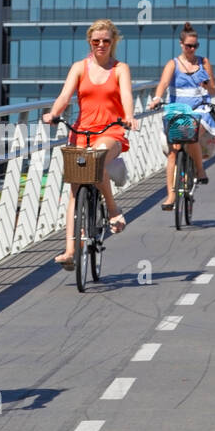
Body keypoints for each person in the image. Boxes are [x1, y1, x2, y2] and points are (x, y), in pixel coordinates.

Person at [43, 19, 135, 269]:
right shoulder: (79, 68)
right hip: (81, 132)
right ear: (90, 42)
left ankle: (113, 209)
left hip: (111, 131)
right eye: (96, 41)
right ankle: (71, 250)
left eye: (106, 40)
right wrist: (53, 114)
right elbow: (65, 95)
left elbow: (126, 95)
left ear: (113, 41)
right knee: (74, 188)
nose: (101, 45)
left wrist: (129, 116)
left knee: (96, 157)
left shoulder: (120, 69)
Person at [147, 23, 215, 209]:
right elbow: (163, 83)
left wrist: (206, 86)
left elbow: (213, 90)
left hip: (200, 109)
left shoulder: (204, 63)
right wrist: (156, 98)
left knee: (191, 132)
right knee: (172, 153)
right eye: (188, 46)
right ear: (181, 45)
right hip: (177, 110)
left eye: (195, 46)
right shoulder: (173, 64)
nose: (192, 50)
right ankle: (170, 196)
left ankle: (200, 170)